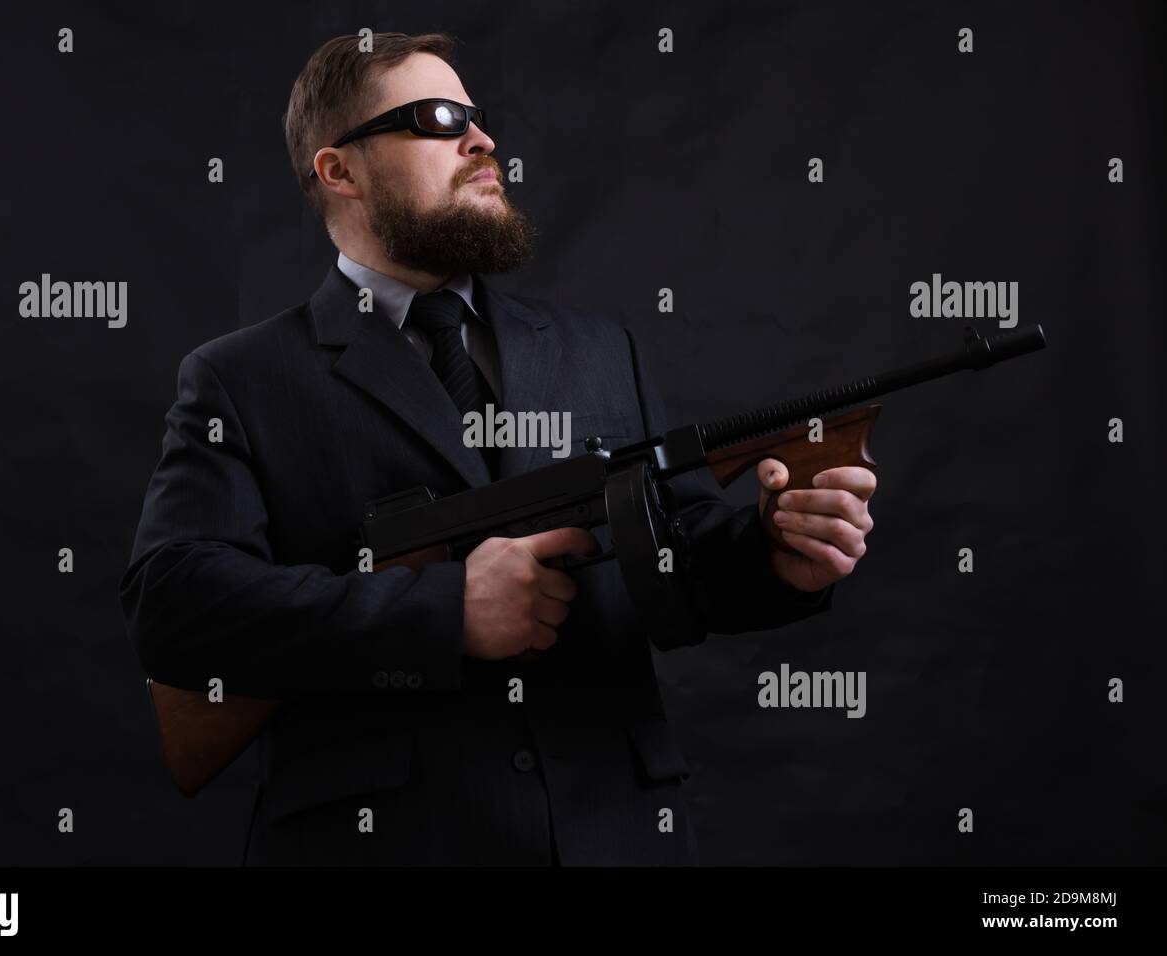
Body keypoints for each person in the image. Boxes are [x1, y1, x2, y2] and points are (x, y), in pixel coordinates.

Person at [119, 31, 877, 866]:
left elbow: (678, 566)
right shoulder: (240, 378)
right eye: (438, 119)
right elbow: (176, 605)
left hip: (613, 834)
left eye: (478, 119)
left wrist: (776, 554)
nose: (481, 142)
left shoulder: (597, 350)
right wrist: (444, 613)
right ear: (339, 171)